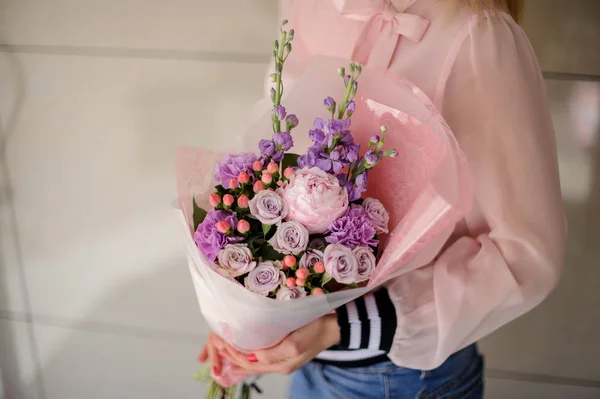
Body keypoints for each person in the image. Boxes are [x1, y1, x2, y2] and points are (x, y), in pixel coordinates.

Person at [198, 0, 567, 397]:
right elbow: (275, 160)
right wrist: (246, 313)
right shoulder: (309, 6)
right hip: (306, 367)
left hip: (401, 379)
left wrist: (338, 328)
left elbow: (525, 254)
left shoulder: (477, 34)